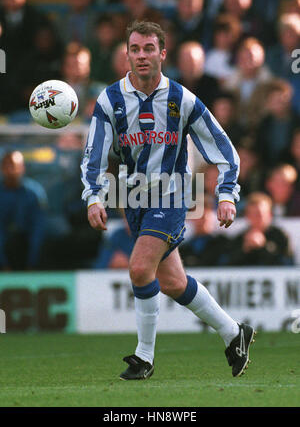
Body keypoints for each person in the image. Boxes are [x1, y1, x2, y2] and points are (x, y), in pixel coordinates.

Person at [81, 20, 256, 380]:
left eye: (148, 49)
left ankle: (145, 357)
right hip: (132, 198)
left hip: (174, 194)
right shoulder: (109, 100)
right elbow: (93, 155)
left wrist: (226, 194)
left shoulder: (183, 99)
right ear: (127, 54)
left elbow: (224, 150)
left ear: (162, 53)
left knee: (139, 268)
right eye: (134, 49)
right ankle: (234, 332)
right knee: (174, 281)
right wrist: (94, 197)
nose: (141, 56)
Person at [0, 151, 46, 270]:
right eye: (7, 166)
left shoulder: (34, 193)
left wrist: (31, 263)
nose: (11, 170)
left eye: (14, 166)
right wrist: (3, 263)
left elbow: (38, 231)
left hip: (27, 250)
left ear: (22, 168)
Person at [224, 192, 294, 266]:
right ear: (247, 216)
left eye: (259, 214)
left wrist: (264, 246)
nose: (256, 218)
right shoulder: (240, 238)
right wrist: (244, 249)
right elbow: (228, 266)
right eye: (252, 214)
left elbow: (288, 263)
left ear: (270, 215)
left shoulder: (280, 236)